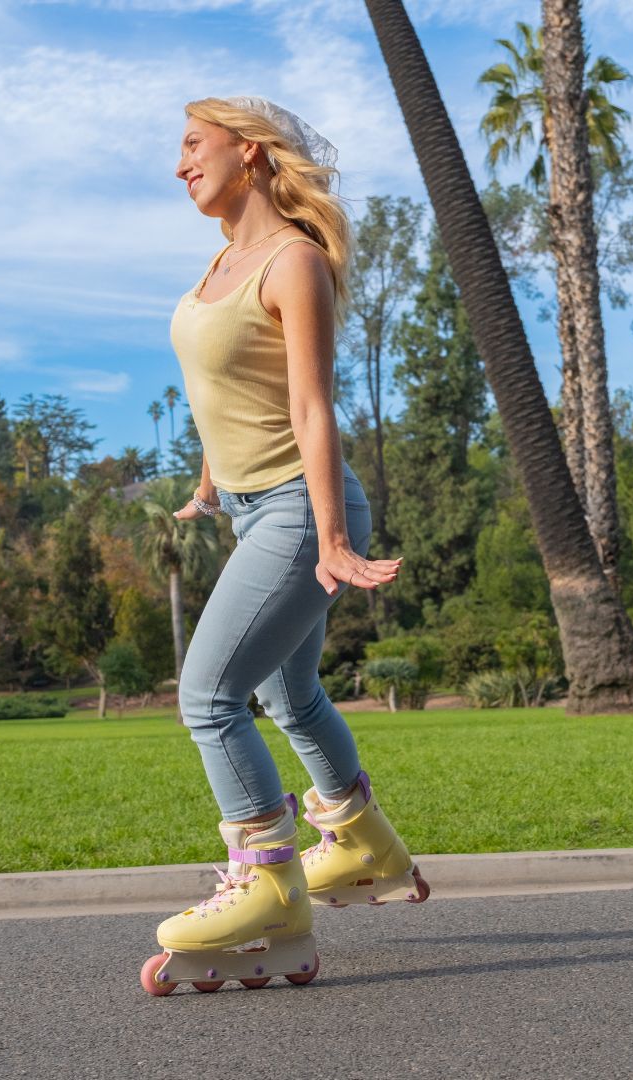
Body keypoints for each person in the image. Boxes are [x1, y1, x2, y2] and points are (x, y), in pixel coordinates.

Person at [140, 96, 428, 998]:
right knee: (286, 688)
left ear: (251, 152)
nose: (180, 164)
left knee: (208, 692)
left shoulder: (291, 260)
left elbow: (310, 407)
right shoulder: (220, 264)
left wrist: (332, 538)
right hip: (254, 505)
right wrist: (208, 477)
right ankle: (365, 843)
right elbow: (226, 384)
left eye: (193, 144)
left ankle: (267, 884)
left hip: (304, 512)